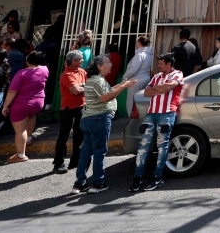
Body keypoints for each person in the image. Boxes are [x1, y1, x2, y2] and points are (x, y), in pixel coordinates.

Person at [73, 55, 135, 194]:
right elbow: (106, 97)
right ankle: (97, 183)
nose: (111, 65)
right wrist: (123, 87)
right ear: (99, 66)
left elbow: (107, 91)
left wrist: (122, 85)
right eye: (108, 63)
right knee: (99, 152)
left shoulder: (96, 80)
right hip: (99, 119)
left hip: (90, 119)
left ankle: (79, 184)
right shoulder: (97, 81)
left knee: (86, 152)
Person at [129, 54, 183, 193]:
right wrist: (163, 88)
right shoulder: (157, 76)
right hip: (151, 113)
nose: (159, 66)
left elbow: (166, 88)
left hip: (167, 112)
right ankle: (137, 177)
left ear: (169, 64)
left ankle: (157, 177)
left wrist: (158, 88)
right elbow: (147, 92)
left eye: (161, 63)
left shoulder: (178, 74)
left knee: (162, 145)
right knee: (144, 145)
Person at [2, 51, 49, 163]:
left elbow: (12, 91)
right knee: (31, 117)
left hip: (21, 104)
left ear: (28, 61)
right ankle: (27, 139)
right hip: (38, 102)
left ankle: (21, 154)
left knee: (20, 130)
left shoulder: (21, 73)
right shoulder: (45, 70)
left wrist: (5, 105)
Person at [53, 50, 87, 174]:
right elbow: (76, 90)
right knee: (64, 135)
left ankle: (76, 160)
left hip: (81, 107)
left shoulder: (82, 72)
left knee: (80, 134)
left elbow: (84, 87)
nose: (83, 60)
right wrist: (83, 86)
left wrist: (81, 86)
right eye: (81, 59)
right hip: (68, 109)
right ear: (73, 61)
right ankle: (58, 163)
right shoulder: (66, 75)